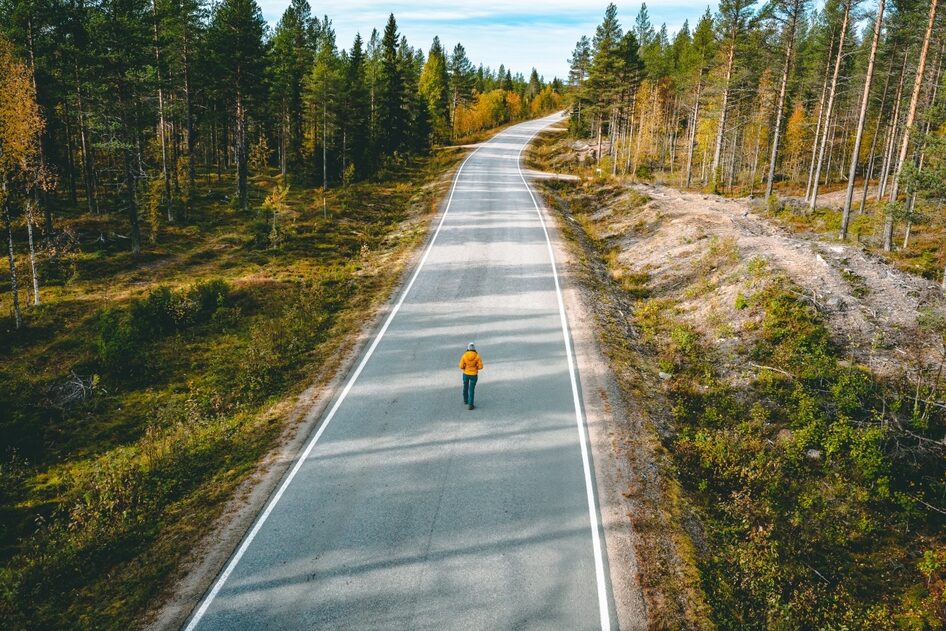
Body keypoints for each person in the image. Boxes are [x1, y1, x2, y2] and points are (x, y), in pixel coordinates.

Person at [459, 342, 483, 410]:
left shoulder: (464, 356)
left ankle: (465, 400)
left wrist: (465, 368)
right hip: (474, 375)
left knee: (465, 386)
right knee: (471, 389)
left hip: (466, 374)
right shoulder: (477, 356)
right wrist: (476, 367)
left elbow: (461, 366)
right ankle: (470, 405)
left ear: (468, 348)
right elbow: (481, 366)